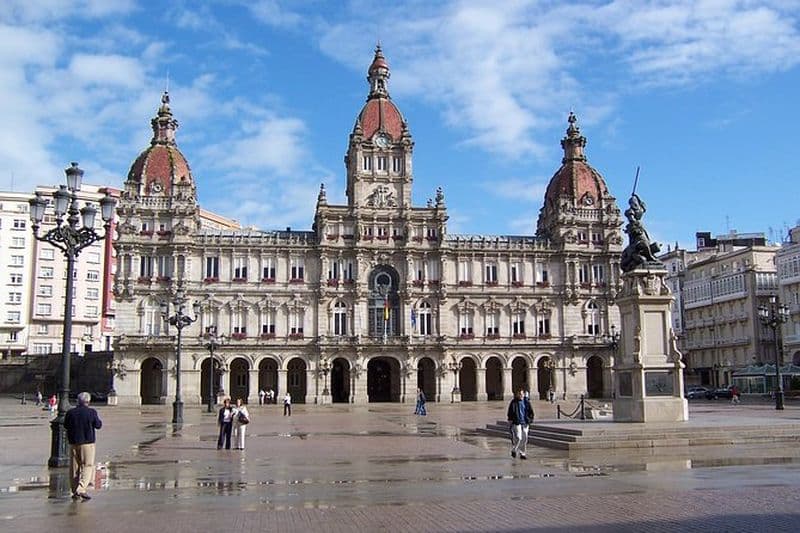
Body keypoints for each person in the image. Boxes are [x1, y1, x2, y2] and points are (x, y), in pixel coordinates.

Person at [63, 392, 102, 501]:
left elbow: (65, 425)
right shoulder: (91, 412)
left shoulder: (71, 412)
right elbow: (98, 425)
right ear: (88, 401)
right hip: (87, 443)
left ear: (77, 401)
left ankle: (74, 490)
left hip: (73, 443)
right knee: (87, 466)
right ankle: (81, 489)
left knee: (74, 468)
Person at [507, 388, 534, 460]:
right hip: (517, 422)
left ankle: (522, 453)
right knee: (519, 437)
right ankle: (514, 449)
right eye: (519, 394)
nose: (521, 395)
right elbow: (510, 412)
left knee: (524, 438)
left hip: (525, 422)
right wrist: (510, 420)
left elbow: (531, 411)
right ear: (517, 395)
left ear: (524, 394)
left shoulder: (526, 402)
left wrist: (530, 419)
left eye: (522, 394)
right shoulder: (513, 402)